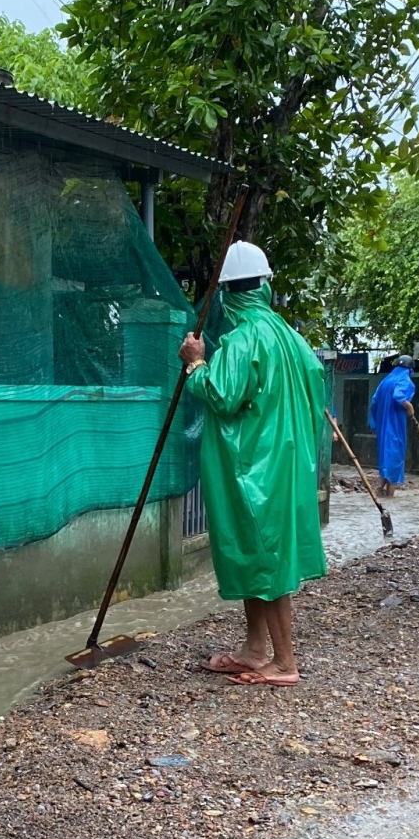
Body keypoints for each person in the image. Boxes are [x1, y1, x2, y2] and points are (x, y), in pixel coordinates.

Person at [178, 241, 329, 687]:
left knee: (266, 559)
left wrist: (195, 364)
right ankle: (255, 647)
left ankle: (284, 662)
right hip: (285, 463)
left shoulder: (244, 340)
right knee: (256, 557)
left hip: (253, 469)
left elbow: (221, 394)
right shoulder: (290, 336)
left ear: (226, 292)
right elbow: (314, 388)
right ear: (263, 286)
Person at [368, 355, 418, 497]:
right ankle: (390, 498)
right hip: (395, 426)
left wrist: (374, 422)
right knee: (395, 459)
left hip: (382, 427)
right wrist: (409, 407)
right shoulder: (404, 380)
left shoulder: (386, 380)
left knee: (385, 458)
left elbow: (374, 401)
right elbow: (398, 396)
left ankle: (379, 491)